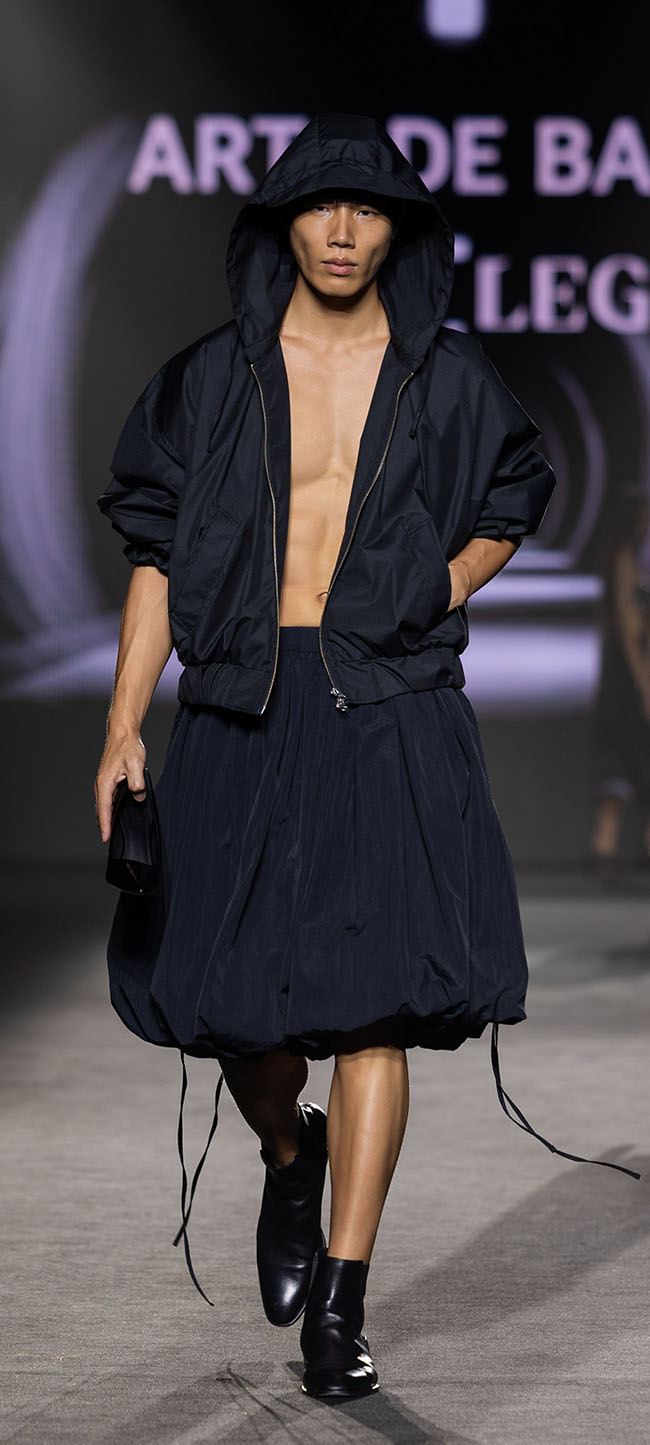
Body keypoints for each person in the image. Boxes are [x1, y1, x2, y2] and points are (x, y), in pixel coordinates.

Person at [95, 113, 635, 1403]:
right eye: (320, 206)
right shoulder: (207, 377)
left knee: (372, 1003)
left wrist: (437, 583)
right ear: (279, 221)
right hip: (239, 701)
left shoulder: (444, 373)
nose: (342, 231)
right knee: (233, 1008)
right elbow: (155, 551)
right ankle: (291, 1156)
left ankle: (341, 1301)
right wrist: (120, 721)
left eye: (369, 208)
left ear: (401, 230)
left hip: (387, 704)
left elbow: (511, 494)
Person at [589, 486, 650, 881]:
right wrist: (644, 684)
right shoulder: (625, 558)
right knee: (629, 759)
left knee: (619, 762)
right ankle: (610, 847)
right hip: (628, 676)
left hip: (619, 675)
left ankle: (606, 848)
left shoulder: (619, 557)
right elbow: (630, 632)